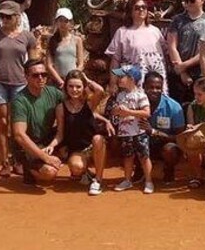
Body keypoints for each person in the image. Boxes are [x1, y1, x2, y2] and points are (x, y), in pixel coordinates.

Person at [0, 0, 38, 177]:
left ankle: (19, 160)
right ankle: (5, 161)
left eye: (8, 16)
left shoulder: (28, 37)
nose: (4, 19)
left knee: (17, 124)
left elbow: (33, 63)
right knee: (2, 122)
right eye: (2, 16)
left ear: (17, 17)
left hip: (20, 83)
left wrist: (34, 82)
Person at [54, 69, 112, 196]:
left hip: (94, 146)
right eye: (71, 86)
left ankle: (98, 180)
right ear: (66, 87)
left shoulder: (89, 103)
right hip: (77, 150)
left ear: (83, 87)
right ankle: (86, 173)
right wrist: (51, 145)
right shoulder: (61, 108)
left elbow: (100, 90)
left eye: (78, 86)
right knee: (76, 168)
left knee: (98, 138)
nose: (74, 90)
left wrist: (86, 78)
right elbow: (60, 133)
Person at [11, 59, 64, 185]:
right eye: (35, 75)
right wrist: (47, 158)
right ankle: (27, 167)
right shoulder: (19, 101)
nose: (40, 78)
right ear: (26, 77)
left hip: (46, 139)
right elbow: (19, 135)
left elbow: (76, 105)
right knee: (49, 172)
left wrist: (103, 120)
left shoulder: (53, 93)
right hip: (27, 145)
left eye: (44, 74)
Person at [106, 0, 167, 94]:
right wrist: (113, 82)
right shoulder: (122, 32)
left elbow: (165, 53)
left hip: (156, 82)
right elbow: (115, 60)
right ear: (130, 11)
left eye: (144, 7)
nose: (141, 10)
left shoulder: (155, 31)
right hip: (134, 82)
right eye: (137, 8)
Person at [110, 65, 154, 194]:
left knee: (144, 157)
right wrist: (116, 112)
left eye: (121, 76)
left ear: (132, 79)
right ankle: (127, 180)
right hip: (125, 133)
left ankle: (149, 181)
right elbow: (116, 112)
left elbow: (147, 113)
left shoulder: (141, 95)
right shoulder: (120, 95)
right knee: (127, 157)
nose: (118, 79)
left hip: (139, 132)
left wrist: (128, 112)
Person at [167, 0, 205, 103]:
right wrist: (182, 71)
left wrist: (184, 65)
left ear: (202, 0)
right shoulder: (177, 20)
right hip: (177, 73)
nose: (188, 3)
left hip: (199, 74)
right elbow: (171, 46)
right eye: (186, 0)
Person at [142, 71, 185, 182]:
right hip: (142, 143)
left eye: (158, 87)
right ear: (143, 86)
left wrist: (154, 132)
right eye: (151, 87)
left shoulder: (174, 107)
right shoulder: (136, 104)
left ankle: (169, 169)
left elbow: (180, 138)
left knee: (170, 150)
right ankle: (139, 169)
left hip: (164, 144)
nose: (154, 91)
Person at [45, 7, 85, 88]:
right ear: (56, 22)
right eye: (60, 20)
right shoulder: (52, 40)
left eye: (66, 21)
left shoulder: (77, 40)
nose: (63, 24)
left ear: (70, 23)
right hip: (56, 82)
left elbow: (81, 64)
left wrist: (72, 79)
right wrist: (60, 81)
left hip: (73, 82)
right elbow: (49, 65)